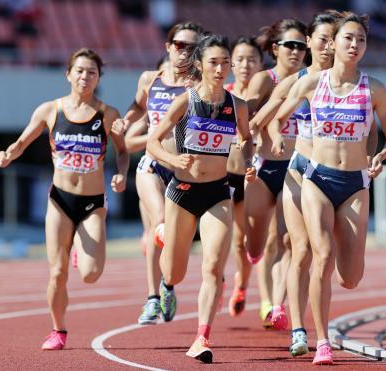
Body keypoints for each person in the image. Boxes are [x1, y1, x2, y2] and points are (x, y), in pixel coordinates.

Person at [269, 11, 386, 364]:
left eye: (361, 40)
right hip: (317, 178)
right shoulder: (312, 84)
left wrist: (379, 156)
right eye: (348, 38)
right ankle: (320, 340)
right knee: (320, 254)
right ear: (333, 43)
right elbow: (278, 119)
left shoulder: (374, 89)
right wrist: (277, 140)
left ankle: (345, 265)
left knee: (351, 277)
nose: (355, 45)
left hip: (356, 183)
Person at [0, 48, 129, 350]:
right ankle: (58, 330)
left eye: (91, 72)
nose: (85, 76)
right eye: (80, 70)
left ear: (98, 78)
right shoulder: (50, 110)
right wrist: (8, 155)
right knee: (57, 272)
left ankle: (80, 249)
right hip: (60, 200)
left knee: (91, 274)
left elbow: (122, 151)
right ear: (69, 74)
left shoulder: (107, 114)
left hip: (93, 203)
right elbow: (22, 141)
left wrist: (120, 173)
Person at [147, 34, 255, 363]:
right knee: (175, 273)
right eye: (214, 62)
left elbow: (247, 138)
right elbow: (153, 141)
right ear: (199, 65)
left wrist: (247, 161)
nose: (222, 68)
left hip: (218, 192)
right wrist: (172, 160)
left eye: (226, 62)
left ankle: (201, 338)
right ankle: (166, 274)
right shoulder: (186, 101)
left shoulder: (237, 105)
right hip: (182, 192)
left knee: (213, 266)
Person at [120, 22, 203, 325]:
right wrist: (125, 122)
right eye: (180, 45)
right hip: (153, 164)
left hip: (184, 170)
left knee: (176, 239)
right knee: (159, 225)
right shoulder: (149, 79)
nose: (185, 52)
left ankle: (168, 286)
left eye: (193, 47)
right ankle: (152, 297)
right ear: (168, 46)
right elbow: (136, 106)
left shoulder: (200, 83)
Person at [245, 18, 307, 329]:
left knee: (285, 238)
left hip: (294, 167)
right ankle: (257, 269)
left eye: (301, 46)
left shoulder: (311, 81)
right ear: (275, 49)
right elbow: (243, 115)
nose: (296, 51)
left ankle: (276, 304)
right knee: (259, 246)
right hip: (263, 166)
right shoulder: (264, 80)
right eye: (290, 45)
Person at [224, 36, 263, 317]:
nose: (245, 65)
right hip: (224, 175)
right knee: (232, 240)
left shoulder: (267, 96)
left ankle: (250, 287)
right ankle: (237, 282)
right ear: (230, 63)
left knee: (249, 241)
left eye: (252, 59)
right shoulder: (221, 95)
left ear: (261, 64)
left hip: (254, 176)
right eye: (239, 59)